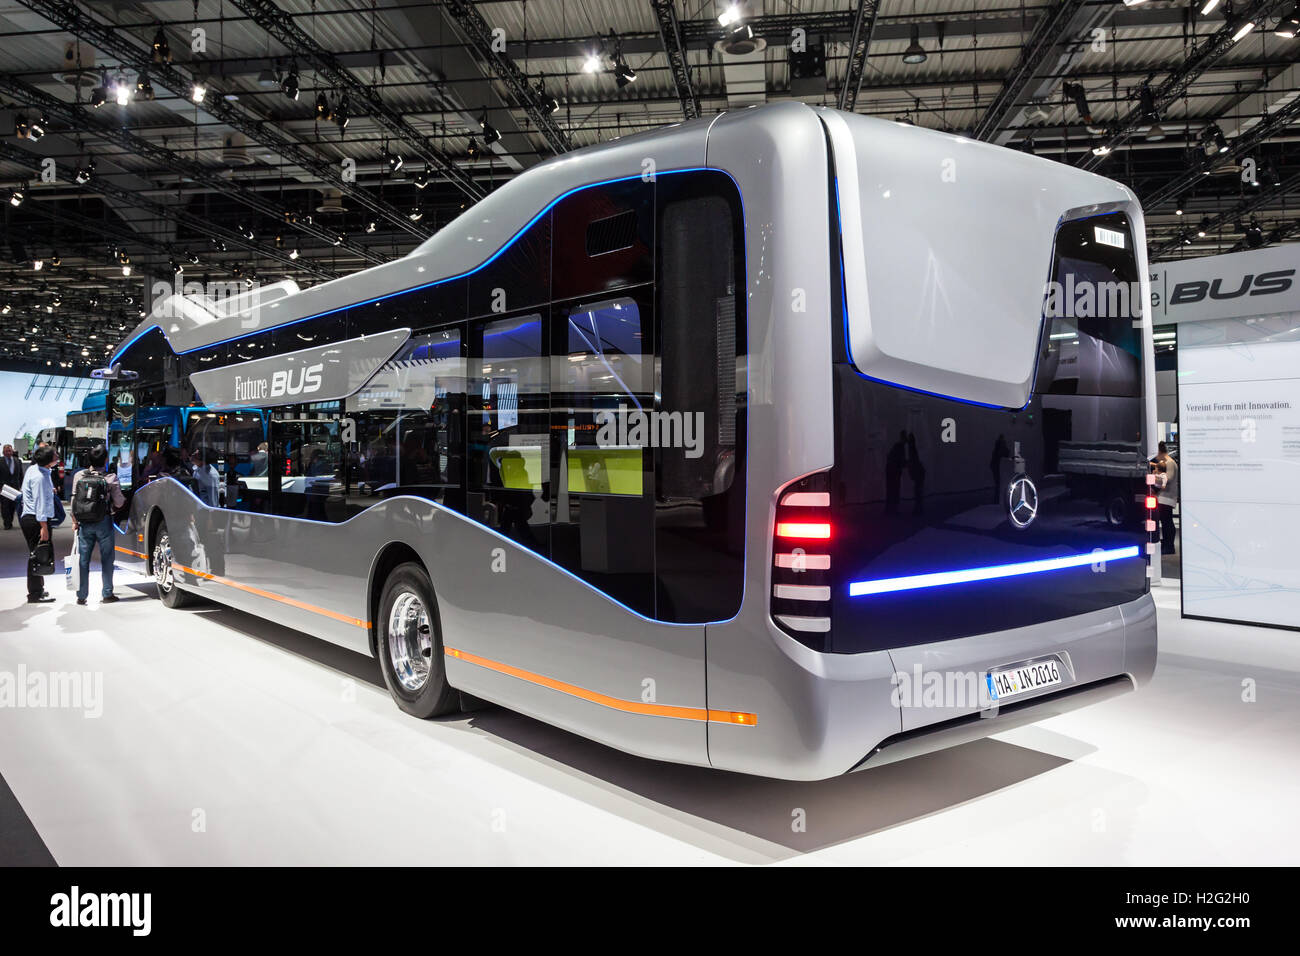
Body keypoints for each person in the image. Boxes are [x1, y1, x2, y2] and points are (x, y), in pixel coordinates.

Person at [69, 444, 127, 605]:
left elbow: (74, 501)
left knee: (83, 559)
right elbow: (119, 502)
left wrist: (75, 521)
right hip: (104, 521)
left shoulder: (79, 475)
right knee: (107, 558)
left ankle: (81, 595)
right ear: (106, 459)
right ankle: (107, 593)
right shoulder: (110, 477)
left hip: (84, 523)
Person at [19, 445, 57, 603]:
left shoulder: (34, 469)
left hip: (31, 517)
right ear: (48, 460)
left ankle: (38, 589)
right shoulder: (40, 477)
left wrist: (50, 490)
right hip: (36, 519)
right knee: (38, 555)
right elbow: (40, 503)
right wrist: (44, 527)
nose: (57, 456)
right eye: (55, 455)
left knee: (38, 554)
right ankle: (34, 593)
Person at [1154, 441, 1179, 555]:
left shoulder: (1169, 463)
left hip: (1166, 497)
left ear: (1159, 451)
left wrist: (1154, 478)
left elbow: (1167, 478)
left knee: (1166, 521)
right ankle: (1167, 544)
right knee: (1166, 521)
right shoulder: (1168, 462)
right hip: (1165, 497)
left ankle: (1169, 545)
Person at [1, 444, 23, 530]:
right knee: (5, 506)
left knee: (13, 506)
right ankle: (7, 523)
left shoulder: (17, 461)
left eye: (10, 451)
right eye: (6, 451)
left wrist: (21, 486)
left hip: (15, 487)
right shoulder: (0, 461)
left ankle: (10, 520)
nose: (8, 452)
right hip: (4, 487)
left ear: (12, 451)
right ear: (3, 452)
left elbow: (21, 475)